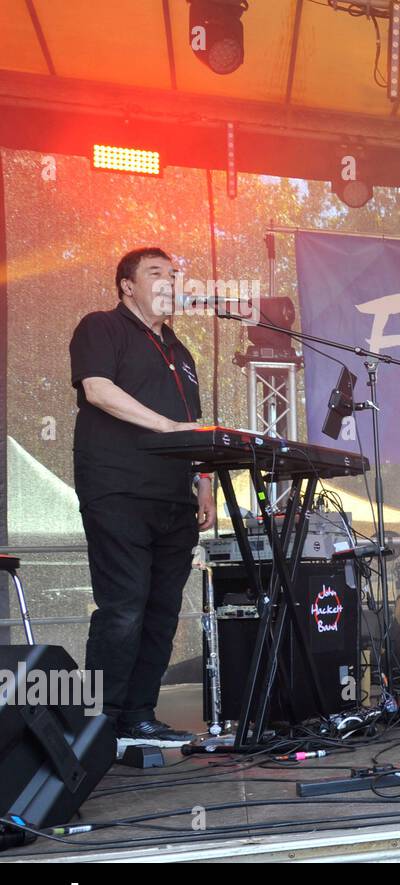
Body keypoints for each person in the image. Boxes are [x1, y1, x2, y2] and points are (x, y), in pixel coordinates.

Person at [70, 247, 216, 746]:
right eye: (156, 272)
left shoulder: (180, 351)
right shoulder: (100, 326)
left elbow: (194, 424)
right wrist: (170, 428)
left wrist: (205, 482)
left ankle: (138, 715)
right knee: (123, 607)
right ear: (126, 285)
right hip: (118, 490)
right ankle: (96, 724)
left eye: (174, 274)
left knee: (161, 611)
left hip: (173, 499)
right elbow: (97, 390)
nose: (170, 280)